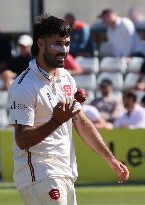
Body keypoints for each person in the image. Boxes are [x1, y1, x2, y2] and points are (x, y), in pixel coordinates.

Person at [8, 14, 129, 205]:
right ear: (40, 43)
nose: (64, 50)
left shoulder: (66, 78)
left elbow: (81, 121)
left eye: (66, 44)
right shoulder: (24, 85)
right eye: (57, 43)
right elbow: (22, 140)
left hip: (65, 170)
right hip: (39, 172)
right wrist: (55, 121)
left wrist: (110, 159)